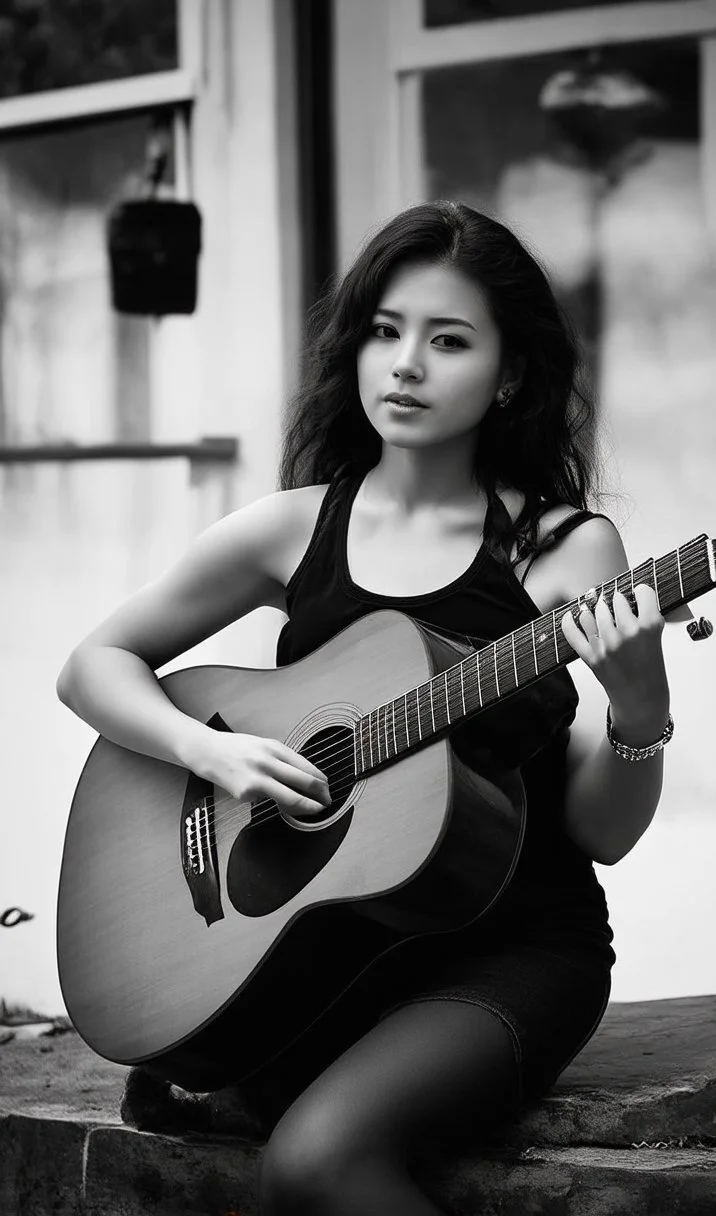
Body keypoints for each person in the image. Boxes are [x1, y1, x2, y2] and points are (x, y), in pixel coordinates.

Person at [57, 201, 672, 1215]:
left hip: (509, 955)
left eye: (448, 340)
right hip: (320, 953)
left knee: (312, 1161)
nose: (405, 365)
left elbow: (599, 836)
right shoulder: (292, 532)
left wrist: (638, 709)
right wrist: (209, 754)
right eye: (385, 331)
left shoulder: (565, 552)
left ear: (509, 373)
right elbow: (95, 663)